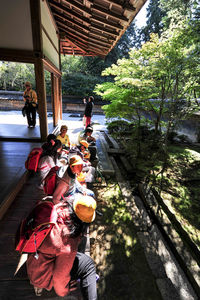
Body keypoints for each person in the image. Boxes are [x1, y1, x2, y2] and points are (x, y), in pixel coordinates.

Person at [26, 194, 97, 299]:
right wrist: (64, 291)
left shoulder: (59, 208)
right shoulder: (68, 242)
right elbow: (59, 278)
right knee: (88, 265)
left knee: (81, 255)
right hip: (41, 275)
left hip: (34, 260)